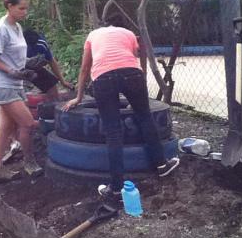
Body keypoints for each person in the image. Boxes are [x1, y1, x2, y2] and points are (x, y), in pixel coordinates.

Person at [63, 14, 180, 201]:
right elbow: (131, 58)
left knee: (113, 131)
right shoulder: (128, 33)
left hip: (103, 78)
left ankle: (116, 188)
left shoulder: (94, 34)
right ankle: (161, 165)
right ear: (121, 25)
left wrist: (78, 97)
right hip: (132, 74)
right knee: (144, 117)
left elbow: (85, 68)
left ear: (104, 24)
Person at [0, 0, 43, 181]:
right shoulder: (1, 28)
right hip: (2, 84)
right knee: (27, 123)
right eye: (21, 8)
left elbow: (12, 55)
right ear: (10, 6)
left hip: (14, 83)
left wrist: (28, 62)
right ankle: (29, 161)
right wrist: (12, 71)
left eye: (26, 9)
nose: (25, 12)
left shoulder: (16, 27)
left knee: (6, 126)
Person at [23, 29, 73, 101]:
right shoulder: (17, 46)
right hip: (17, 70)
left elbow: (52, 62)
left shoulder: (41, 44)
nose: (31, 47)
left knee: (52, 89)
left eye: (33, 45)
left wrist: (63, 81)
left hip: (35, 68)